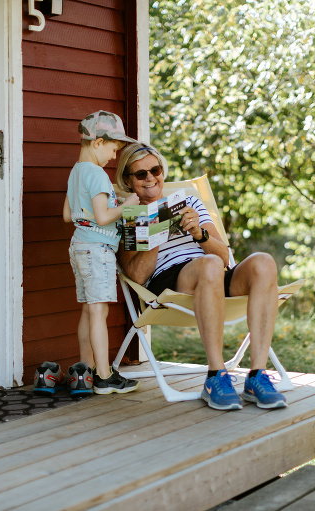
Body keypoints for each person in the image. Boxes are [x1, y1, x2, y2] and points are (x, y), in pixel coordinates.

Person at [115, 142, 287, 410]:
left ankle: (257, 375)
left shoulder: (189, 201)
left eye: (155, 170)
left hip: (216, 271)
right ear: (128, 180)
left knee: (263, 262)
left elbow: (225, 258)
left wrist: (200, 234)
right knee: (207, 265)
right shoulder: (130, 217)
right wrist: (160, 229)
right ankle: (215, 376)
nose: (151, 178)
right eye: (141, 174)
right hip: (172, 282)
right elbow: (136, 276)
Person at [61, 111, 141, 395]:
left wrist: (107, 204)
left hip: (79, 246)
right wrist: (128, 204)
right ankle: (105, 376)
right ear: (97, 143)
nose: (113, 156)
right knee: (99, 311)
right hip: (97, 249)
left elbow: (68, 215)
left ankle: (86, 371)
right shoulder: (95, 173)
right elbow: (104, 217)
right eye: (112, 149)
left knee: (87, 309)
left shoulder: (76, 171)